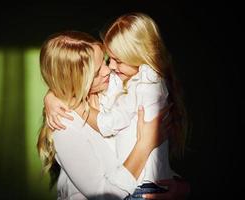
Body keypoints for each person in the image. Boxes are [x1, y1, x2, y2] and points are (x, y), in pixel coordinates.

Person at [44, 13, 190, 199]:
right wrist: (145, 143)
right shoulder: (65, 122)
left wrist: (181, 188)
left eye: (106, 61)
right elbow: (105, 195)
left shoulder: (115, 89)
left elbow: (155, 164)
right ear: (78, 80)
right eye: (97, 71)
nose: (108, 70)